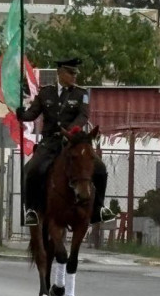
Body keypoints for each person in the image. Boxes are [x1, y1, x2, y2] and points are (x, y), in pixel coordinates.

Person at [16, 58, 110, 227]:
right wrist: (21, 114)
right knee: (32, 170)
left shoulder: (81, 94)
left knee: (100, 169)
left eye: (75, 73)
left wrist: (70, 130)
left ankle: (98, 209)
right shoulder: (45, 93)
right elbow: (32, 114)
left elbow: (83, 116)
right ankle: (31, 210)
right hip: (50, 141)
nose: (74, 76)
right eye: (70, 73)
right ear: (60, 73)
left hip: (73, 141)